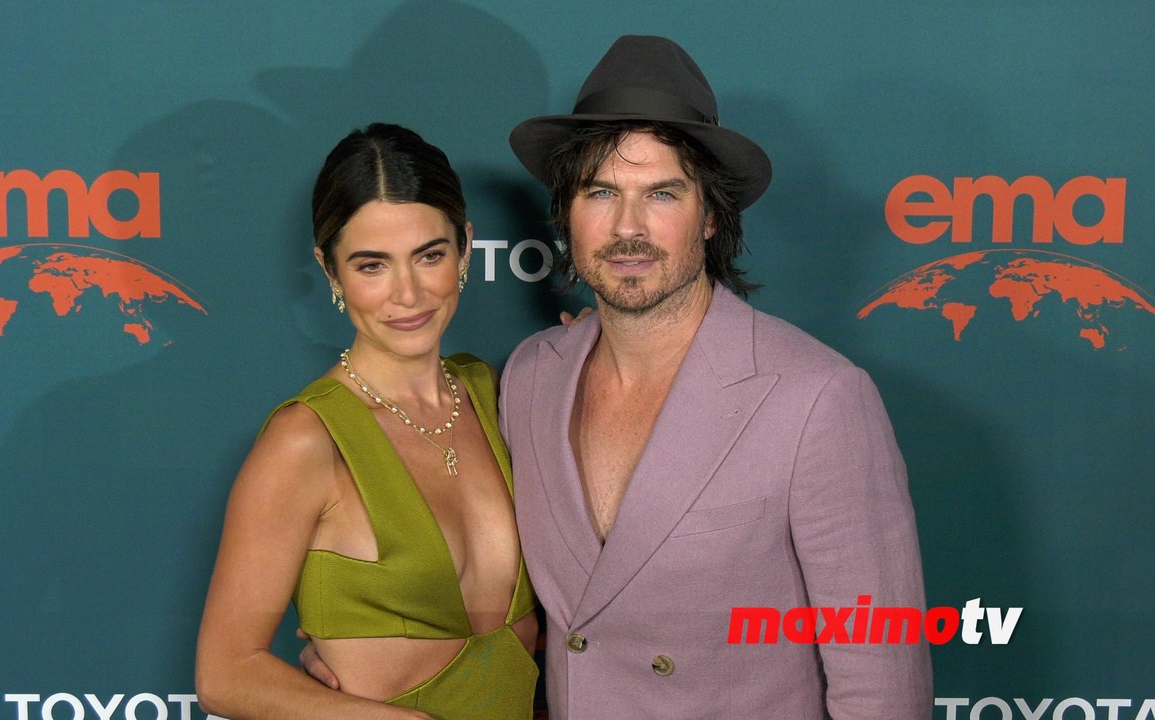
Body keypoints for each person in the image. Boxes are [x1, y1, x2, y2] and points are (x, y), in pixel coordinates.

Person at [499, 36, 933, 718]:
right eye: (600, 192)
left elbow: (882, 679)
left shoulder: (817, 398)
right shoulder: (529, 377)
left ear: (709, 215)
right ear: (567, 214)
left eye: (662, 193)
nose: (628, 228)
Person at [196, 123, 538, 720]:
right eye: (372, 265)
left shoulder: (495, 393)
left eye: (429, 256)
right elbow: (226, 674)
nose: (407, 294)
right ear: (330, 272)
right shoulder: (306, 440)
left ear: (465, 248)